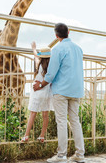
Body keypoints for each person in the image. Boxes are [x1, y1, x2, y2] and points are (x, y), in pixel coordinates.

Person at [34, 23, 85, 163]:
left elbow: (51, 73)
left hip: (61, 91)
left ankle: (61, 155)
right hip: (76, 90)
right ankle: (80, 154)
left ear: (56, 36)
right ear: (69, 32)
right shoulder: (78, 49)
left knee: (61, 121)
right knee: (75, 121)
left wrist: (41, 84)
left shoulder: (57, 49)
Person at [21, 41, 53, 143]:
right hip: (47, 91)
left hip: (37, 91)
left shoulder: (39, 65)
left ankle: (26, 136)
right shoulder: (51, 66)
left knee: (33, 114)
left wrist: (33, 47)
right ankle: (42, 136)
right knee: (45, 115)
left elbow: (35, 56)